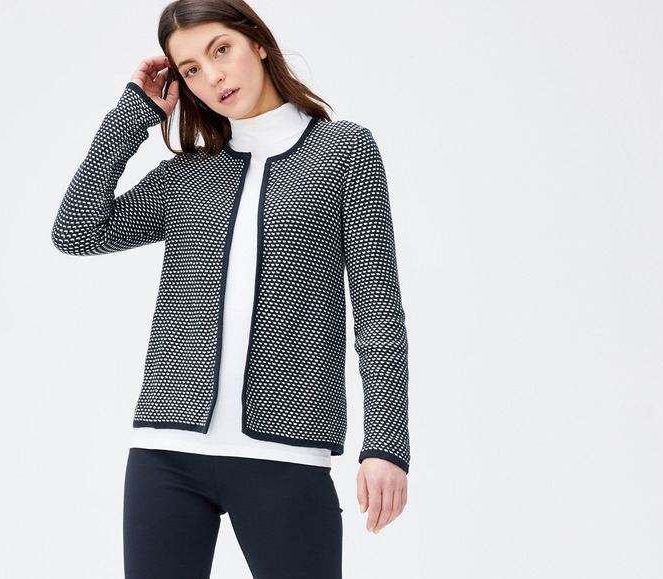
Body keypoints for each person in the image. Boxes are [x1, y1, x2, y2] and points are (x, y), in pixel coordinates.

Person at [50, 0, 410, 577]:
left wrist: (386, 443)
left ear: (257, 42)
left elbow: (377, 307)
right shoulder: (189, 173)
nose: (213, 76)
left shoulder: (342, 151)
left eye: (221, 49)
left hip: (286, 451)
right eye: (191, 68)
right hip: (167, 452)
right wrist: (131, 116)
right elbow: (76, 230)